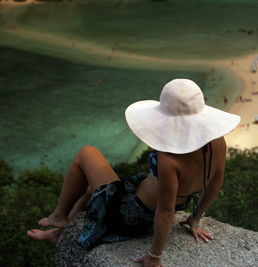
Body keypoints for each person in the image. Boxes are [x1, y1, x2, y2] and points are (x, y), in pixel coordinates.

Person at [27, 79, 241, 267]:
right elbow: (215, 184)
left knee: (87, 153)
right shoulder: (218, 142)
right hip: (160, 206)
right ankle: (59, 234)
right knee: (94, 188)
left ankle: (58, 216)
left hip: (132, 213)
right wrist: (195, 218)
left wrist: (154, 255)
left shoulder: (169, 159)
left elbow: (165, 212)